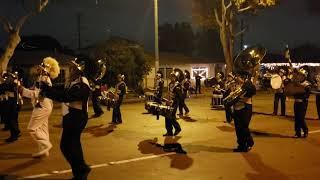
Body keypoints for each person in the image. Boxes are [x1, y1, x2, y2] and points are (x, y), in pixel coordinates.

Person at [42, 59, 91, 179]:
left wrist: (48, 92)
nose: (70, 70)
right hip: (73, 115)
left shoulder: (82, 83)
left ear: (79, 71)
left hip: (78, 117)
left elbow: (67, 96)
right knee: (72, 145)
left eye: (73, 68)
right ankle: (81, 170)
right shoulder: (74, 81)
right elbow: (63, 90)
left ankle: (81, 171)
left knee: (67, 146)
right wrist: (48, 88)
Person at [19, 57, 60, 158]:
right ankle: (44, 150)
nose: (40, 67)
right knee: (42, 129)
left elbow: (37, 94)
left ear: (46, 69)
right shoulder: (42, 78)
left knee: (32, 128)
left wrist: (23, 91)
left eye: (42, 66)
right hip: (44, 106)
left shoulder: (44, 79)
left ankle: (46, 145)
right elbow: (36, 91)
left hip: (42, 106)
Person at [232, 71, 256, 152]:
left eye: (237, 76)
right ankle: (241, 145)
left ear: (242, 77)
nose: (235, 78)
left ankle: (249, 142)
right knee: (238, 128)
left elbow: (253, 91)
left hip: (245, 108)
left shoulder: (248, 85)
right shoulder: (235, 85)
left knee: (244, 127)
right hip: (237, 108)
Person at [0, 71, 21, 143]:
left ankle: (14, 136)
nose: (6, 79)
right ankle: (16, 132)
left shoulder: (12, 84)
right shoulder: (12, 83)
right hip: (12, 103)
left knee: (12, 119)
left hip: (12, 103)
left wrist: (3, 84)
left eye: (7, 78)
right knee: (13, 119)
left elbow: (5, 88)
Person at [293, 67, 311, 138]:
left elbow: (307, 95)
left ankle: (305, 131)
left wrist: (301, 96)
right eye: (299, 75)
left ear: (304, 76)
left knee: (301, 118)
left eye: (301, 75)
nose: (299, 76)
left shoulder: (307, 84)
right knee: (296, 118)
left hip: (303, 103)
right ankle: (298, 133)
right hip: (296, 102)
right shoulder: (297, 83)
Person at [163, 69, 183, 136]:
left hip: (174, 103)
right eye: (171, 76)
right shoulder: (170, 84)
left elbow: (180, 96)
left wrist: (173, 101)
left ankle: (178, 128)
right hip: (168, 102)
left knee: (170, 116)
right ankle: (169, 131)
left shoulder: (178, 85)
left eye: (173, 76)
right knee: (166, 116)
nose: (172, 78)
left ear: (176, 77)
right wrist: (165, 99)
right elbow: (169, 93)